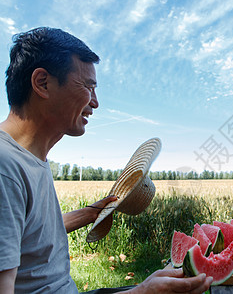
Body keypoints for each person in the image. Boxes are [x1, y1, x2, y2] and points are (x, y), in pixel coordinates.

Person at [0, 27, 213, 293]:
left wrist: (90, 214)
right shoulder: (5, 167)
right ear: (42, 83)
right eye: (88, 86)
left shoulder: (28, 158)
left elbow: (27, 233)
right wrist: (140, 292)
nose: (96, 102)